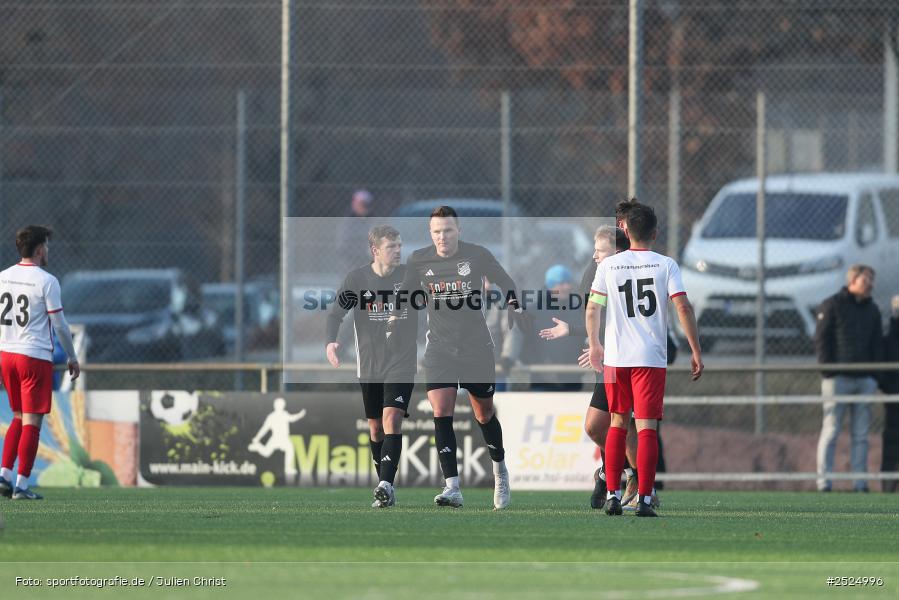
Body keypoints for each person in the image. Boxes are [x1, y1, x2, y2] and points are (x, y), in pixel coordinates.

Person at [391, 205, 529, 510]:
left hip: (476, 347)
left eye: (448, 231)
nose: (443, 237)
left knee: (483, 414)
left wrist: (515, 305)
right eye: (437, 232)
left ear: (459, 231)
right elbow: (406, 296)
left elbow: (506, 281)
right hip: (439, 348)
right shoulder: (418, 259)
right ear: (430, 233)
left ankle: (500, 471)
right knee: (441, 412)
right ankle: (452, 486)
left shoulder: (476, 255)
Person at [586, 202, 703, 517]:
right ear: (654, 233)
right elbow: (683, 308)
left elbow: (593, 307)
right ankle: (647, 498)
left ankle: (612, 494)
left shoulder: (609, 266)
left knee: (617, 424)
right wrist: (695, 349)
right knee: (647, 427)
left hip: (616, 358)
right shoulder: (666, 265)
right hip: (650, 358)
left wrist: (595, 344)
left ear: (624, 230)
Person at [539, 225, 640, 509]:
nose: (594, 256)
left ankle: (638, 482)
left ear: (618, 252)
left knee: (625, 422)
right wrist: (584, 337)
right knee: (596, 427)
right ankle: (614, 472)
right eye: (594, 250)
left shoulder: (636, 271)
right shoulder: (593, 273)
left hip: (629, 359)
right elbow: (594, 317)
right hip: (606, 362)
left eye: (600, 250)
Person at [326, 225, 416, 508]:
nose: (398, 251)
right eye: (392, 247)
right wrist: (331, 342)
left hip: (401, 361)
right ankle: (386, 490)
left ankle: (385, 484)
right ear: (375, 250)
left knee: (391, 419)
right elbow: (336, 314)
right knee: (375, 428)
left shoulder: (410, 277)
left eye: (400, 245)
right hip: (369, 365)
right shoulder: (357, 279)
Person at [0, 226, 80, 500]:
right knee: (32, 421)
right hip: (33, 356)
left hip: (6, 355)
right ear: (38, 249)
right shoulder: (47, 281)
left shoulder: (3, 277)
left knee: (19, 417)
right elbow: (59, 324)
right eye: (46, 245)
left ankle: (4, 475)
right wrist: (72, 356)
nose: (49, 250)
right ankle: (21, 485)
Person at [815, 264, 882, 493]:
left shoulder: (872, 310)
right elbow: (822, 340)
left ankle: (860, 483)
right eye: (866, 280)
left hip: (864, 379)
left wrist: (874, 375)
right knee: (831, 430)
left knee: (861, 434)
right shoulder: (833, 305)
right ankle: (824, 482)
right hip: (838, 379)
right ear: (853, 281)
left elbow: (877, 343)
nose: (870, 285)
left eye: (872, 280)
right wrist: (828, 372)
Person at [247, 398, 307, 480]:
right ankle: (257, 447)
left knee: (290, 449)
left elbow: (292, 418)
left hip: (284, 438)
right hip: (275, 438)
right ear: (275, 406)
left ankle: (288, 468)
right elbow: (264, 429)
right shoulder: (271, 417)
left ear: (283, 406)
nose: (280, 406)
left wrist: (299, 415)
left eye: (282, 405)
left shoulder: (285, 414)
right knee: (266, 453)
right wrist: (257, 438)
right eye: (278, 405)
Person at [880, 295, 899, 493]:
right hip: (894, 402)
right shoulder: (888, 339)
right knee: (892, 449)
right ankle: (888, 490)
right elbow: (883, 373)